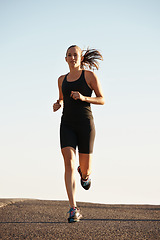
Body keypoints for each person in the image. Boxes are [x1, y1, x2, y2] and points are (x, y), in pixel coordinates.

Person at [53, 45, 105, 223]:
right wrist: (58, 103)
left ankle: (85, 175)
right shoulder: (61, 80)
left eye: (75, 55)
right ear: (65, 59)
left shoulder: (89, 76)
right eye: (69, 55)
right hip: (67, 125)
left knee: (85, 169)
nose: (72, 57)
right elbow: (61, 97)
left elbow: (102, 99)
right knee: (68, 161)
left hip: (85, 125)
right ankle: (73, 209)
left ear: (81, 58)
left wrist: (84, 98)